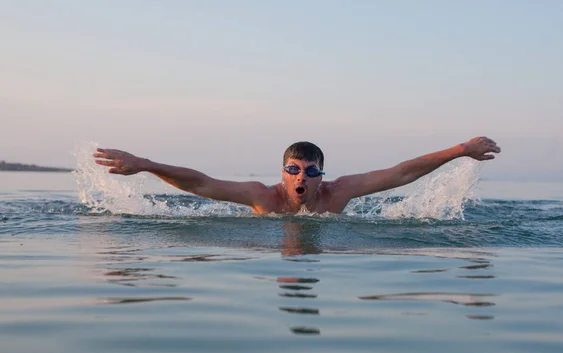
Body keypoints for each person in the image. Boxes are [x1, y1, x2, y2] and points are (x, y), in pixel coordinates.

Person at [93, 137, 500, 214]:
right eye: (293, 170)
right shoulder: (262, 197)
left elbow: (401, 173)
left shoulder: (339, 194)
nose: (300, 176)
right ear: (283, 174)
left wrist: (459, 151)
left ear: (322, 175)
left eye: (309, 171)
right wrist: (145, 163)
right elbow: (200, 184)